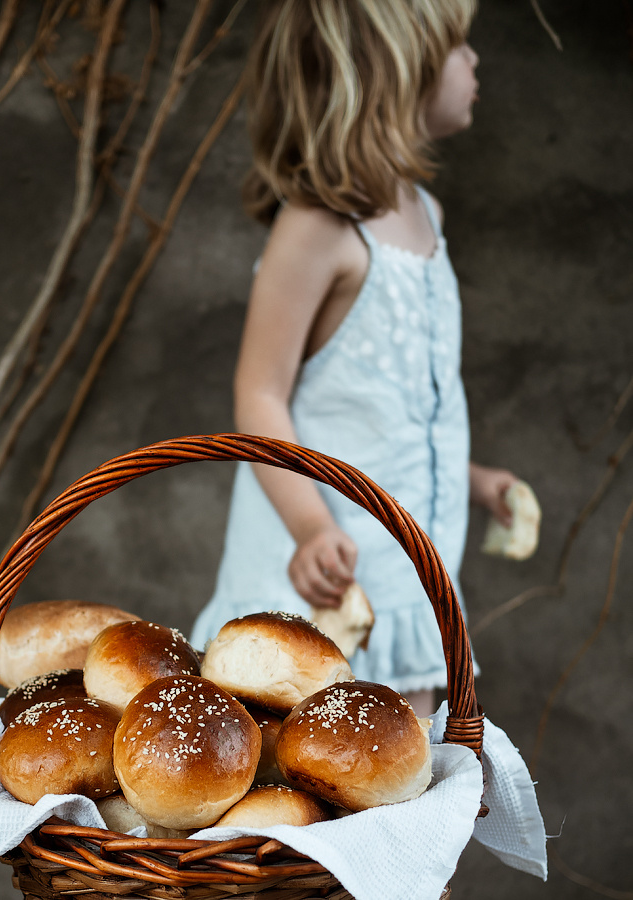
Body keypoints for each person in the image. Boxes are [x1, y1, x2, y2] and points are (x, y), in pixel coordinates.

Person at [190, 0, 520, 718]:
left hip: (402, 587)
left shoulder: (424, 216)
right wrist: (311, 527)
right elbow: (260, 396)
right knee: (295, 774)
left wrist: (466, 478)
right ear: (393, 72)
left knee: (392, 769)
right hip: (319, 581)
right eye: (457, 45)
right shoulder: (317, 225)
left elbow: (390, 413)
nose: (473, 62)